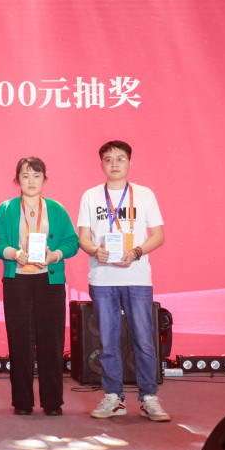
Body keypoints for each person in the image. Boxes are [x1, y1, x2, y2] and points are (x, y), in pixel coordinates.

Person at [77, 140, 169, 422]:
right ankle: (113, 397)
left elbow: (158, 236)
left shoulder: (144, 194)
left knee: (144, 340)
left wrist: (137, 252)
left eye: (120, 158)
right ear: (101, 164)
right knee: (108, 342)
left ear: (129, 162)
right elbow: (83, 238)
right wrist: (96, 251)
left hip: (136, 277)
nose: (114, 164)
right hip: (103, 278)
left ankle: (149, 398)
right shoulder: (91, 196)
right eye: (108, 159)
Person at [0, 157, 79, 416]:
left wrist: (55, 255)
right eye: (25, 175)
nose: (31, 180)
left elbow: (72, 241)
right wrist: (12, 253)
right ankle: (22, 402)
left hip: (49, 282)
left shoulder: (56, 209)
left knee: (51, 341)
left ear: (44, 179)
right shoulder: (6, 208)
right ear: (17, 179)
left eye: (36, 175)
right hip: (17, 281)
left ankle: (52, 402)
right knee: (19, 341)